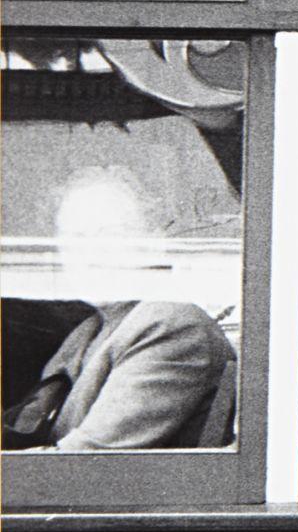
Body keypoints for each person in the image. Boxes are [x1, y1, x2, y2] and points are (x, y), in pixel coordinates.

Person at [3, 167, 234, 450]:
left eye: (110, 235)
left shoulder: (170, 325)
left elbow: (86, 459)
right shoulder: (87, 332)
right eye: (74, 239)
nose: (89, 255)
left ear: (155, 243)